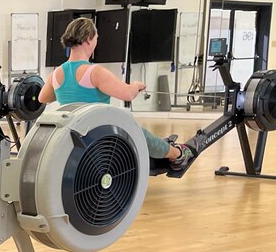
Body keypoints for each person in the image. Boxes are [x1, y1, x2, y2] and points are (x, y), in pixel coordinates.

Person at [38, 17, 195, 170]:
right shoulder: (95, 72)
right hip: (97, 132)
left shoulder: (56, 73)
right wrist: (136, 85)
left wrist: (63, 90)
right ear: (88, 39)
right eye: (96, 38)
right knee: (139, 133)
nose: (96, 42)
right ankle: (179, 154)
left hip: (71, 134)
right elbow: (127, 94)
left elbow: (42, 98)